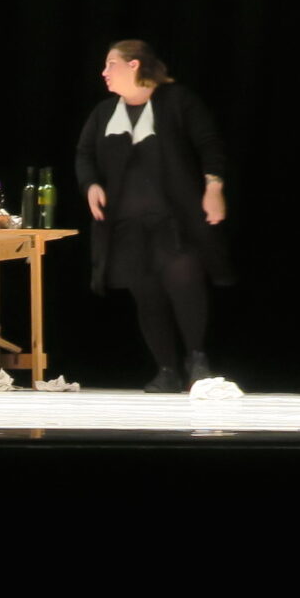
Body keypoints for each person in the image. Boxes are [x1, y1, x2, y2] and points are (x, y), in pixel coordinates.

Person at [74, 39, 234, 392]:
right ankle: (166, 369)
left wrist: (214, 187)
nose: (104, 73)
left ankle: (196, 359)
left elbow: (209, 145)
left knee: (185, 284)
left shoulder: (177, 102)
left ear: (134, 65)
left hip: (174, 222)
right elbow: (84, 155)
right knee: (146, 295)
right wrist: (91, 186)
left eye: (110, 64)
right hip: (127, 226)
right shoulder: (104, 113)